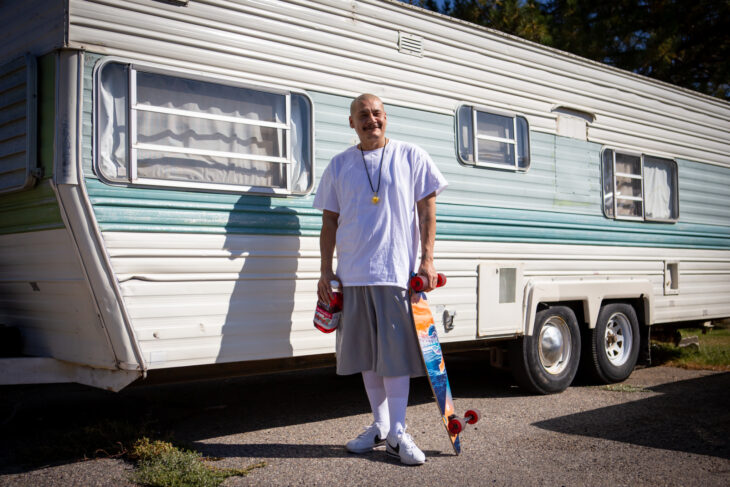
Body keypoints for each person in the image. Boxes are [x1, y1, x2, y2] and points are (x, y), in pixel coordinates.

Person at [313, 94, 448, 465]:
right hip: (353, 275)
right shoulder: (339, 164)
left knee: (395, 357)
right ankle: (380, 425)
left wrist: (428, 260)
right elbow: (328, 222)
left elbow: (428, 211)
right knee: (368, 358)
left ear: (386, 117)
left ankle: (399, 432)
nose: (371, 119)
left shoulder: (410, 156)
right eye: (363, 115)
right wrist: (326, 270)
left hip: (394, 273)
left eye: (376, 113)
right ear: (351, 122)